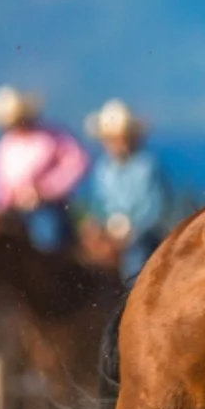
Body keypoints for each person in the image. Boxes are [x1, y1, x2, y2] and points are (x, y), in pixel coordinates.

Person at [0, 85, 89, 252]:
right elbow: (1, 186)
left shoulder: (51, 137)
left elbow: (77, 164)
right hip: (14, 211)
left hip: (48, 206)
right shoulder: (4, 147)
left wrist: (46, 189)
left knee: (46, 235)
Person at [81, 98, 175, 280]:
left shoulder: (147, 166)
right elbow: (97, 203)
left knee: (135, 260)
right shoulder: (103, 167)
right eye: (111, 139)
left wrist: (130, 232)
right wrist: (95, 225)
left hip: (142, 234)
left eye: (122, 138)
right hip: (109, 232)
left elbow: (155, 209)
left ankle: (131, 298)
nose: (117, 144)